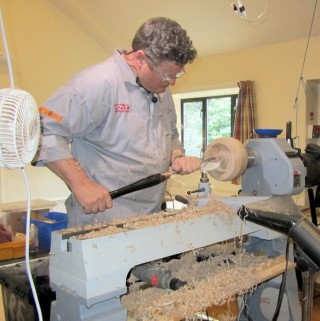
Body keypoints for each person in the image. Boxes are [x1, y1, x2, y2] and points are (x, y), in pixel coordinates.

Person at [34, 17, 200, 227]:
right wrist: (81, 184)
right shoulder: (96, 84)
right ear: (140, 58)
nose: (172, 82)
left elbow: (171, 135)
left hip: (150, 217)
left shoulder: (162, 91)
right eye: (167, 74)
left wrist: (176, 155)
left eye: (177, 74)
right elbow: (44, 131)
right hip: (102, 220)